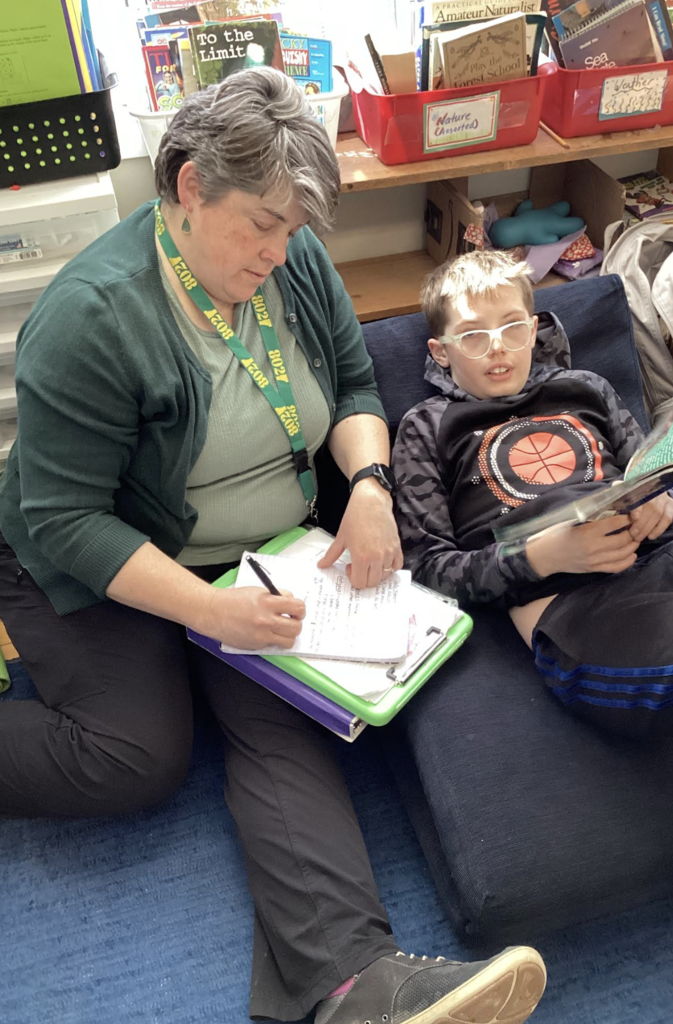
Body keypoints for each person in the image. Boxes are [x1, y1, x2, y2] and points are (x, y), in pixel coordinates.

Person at [0, 69, 547, 1024]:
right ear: (184, 187)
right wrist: (208, 612)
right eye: (259, 223)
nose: (278, 250)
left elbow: (352, 386)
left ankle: (355, 985)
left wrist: (369, 486)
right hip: (97, 546)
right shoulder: (91, 320)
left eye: (294, 228)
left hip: (261, 538)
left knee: (286, 708)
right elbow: (65, 517)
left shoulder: (288, 264)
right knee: (138, 754)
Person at [392, 248, 673, 1024]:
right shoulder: (427, 427)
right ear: (440, 351)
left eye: (513, 324)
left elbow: (657, 474)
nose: (500, 346)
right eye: (475, 335)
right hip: (586, 623)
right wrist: (541, 555)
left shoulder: (586, 388)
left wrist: (659, 511)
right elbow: (429, 568)